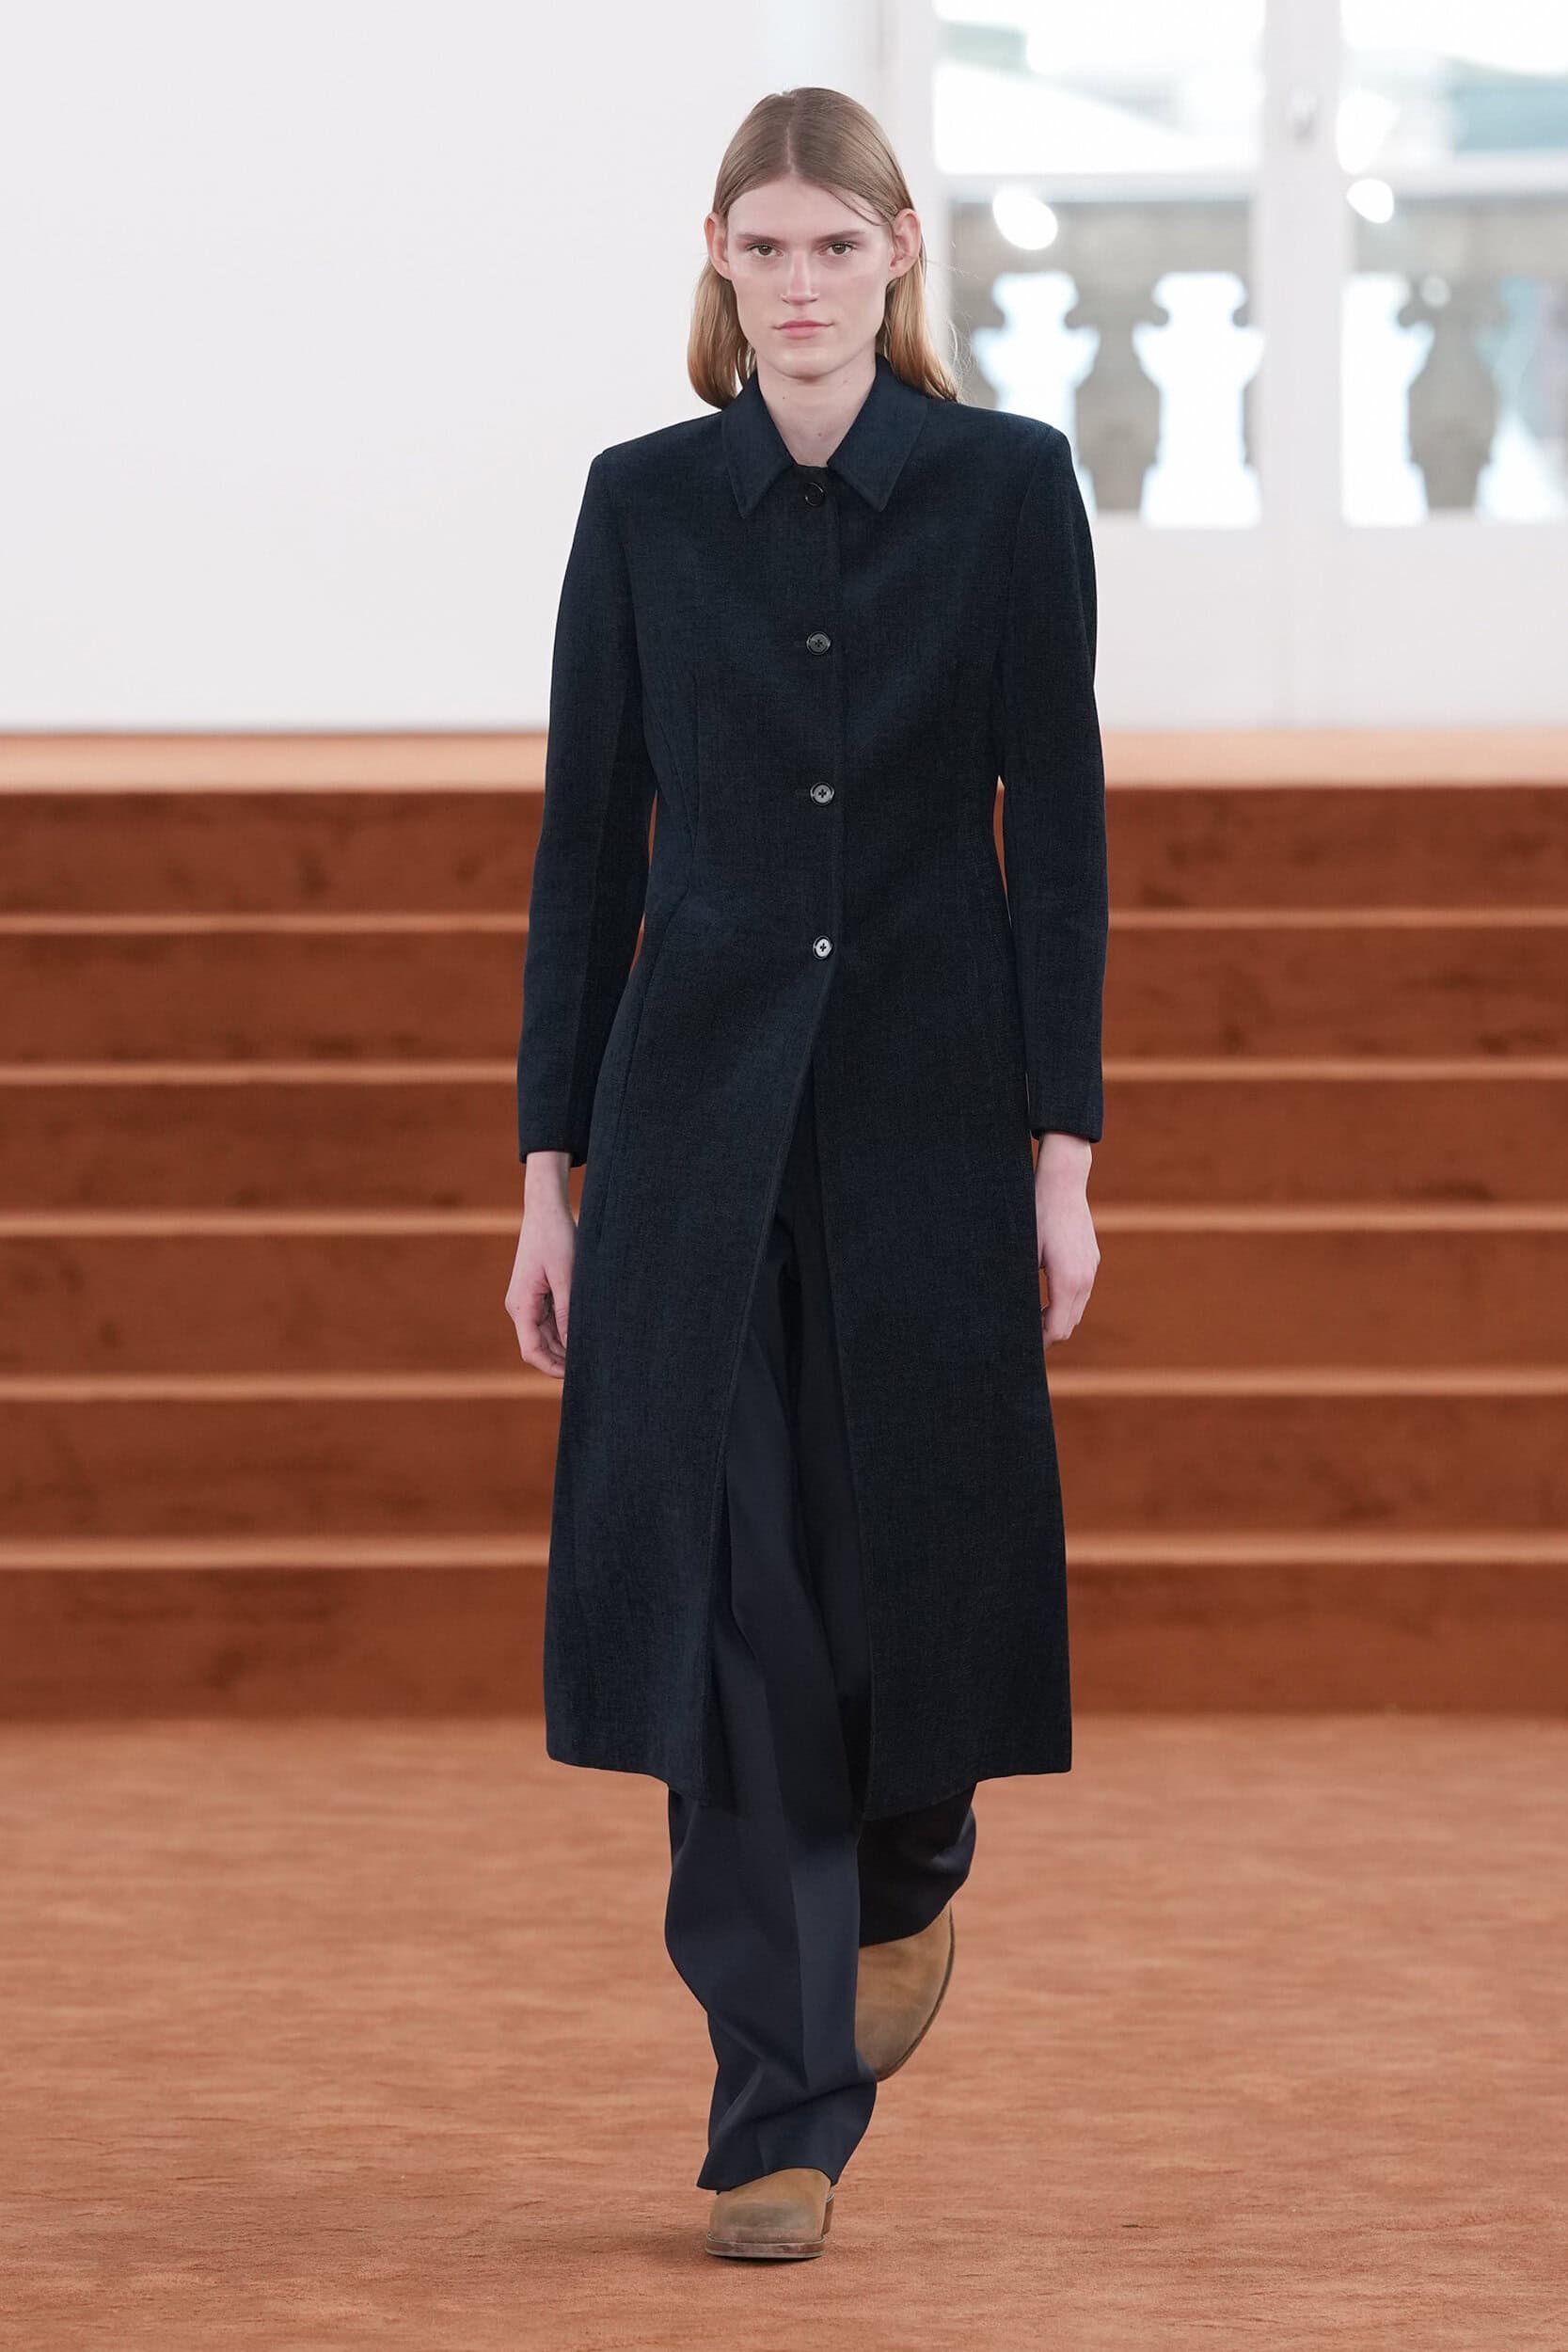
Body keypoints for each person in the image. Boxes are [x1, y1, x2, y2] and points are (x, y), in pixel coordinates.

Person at [506, 85, 1106, 2263]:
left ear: (900, 253)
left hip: (932, 1106)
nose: (800, 284)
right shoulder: (645, 505)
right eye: (762, 248)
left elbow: (1062, 832)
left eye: (836, 246)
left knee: (910, 1569)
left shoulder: (1008, 489)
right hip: (693, 1125)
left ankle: (910, 1866)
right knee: (734, 1604)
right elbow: (589, 844)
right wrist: (548, 1174)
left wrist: (1063, 1154)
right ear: (718, 261)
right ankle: (773, 2101)